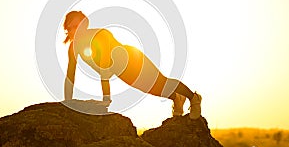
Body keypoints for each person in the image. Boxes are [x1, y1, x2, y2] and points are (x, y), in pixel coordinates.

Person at [63, 11, 202, 119]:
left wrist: (106, 98)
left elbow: (105, 67)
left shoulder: (100, 35)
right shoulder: (72, 48)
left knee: (161, 82)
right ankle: (176, 98)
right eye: (70, 28)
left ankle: (193, 98)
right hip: (121, 71)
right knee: (153, 90)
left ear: (85, 24)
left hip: (133, 60)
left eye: (77, 26)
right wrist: (67, 103)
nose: (74, 31)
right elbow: (70, 76)